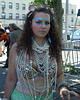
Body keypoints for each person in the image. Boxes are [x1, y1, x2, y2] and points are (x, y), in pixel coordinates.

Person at [3, 8, 80, 100]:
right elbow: (11, 78)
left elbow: (59, 74)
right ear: (30, 24)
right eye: (38, 22)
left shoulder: (54, 48)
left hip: (47, 97)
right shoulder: (17, 48)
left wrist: (63, 88)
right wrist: (5, 98)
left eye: (47, 23)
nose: (43, 26)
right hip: (21, 97)